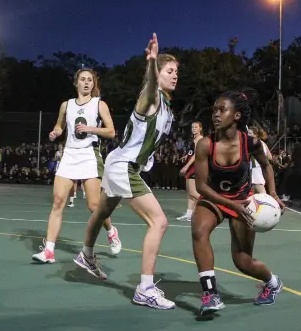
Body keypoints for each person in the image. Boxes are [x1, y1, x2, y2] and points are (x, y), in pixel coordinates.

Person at [73, 33, 178, 310]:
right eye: (170, 71)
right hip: (124, 167)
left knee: (103, 211)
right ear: (157, 73)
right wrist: (153, 62)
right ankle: (145, 288)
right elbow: (150, 87)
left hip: (119, 163)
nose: (175, 75)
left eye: (176, 71)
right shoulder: (150, 98)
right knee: (160, 222)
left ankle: (86, 254)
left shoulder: (166, 107)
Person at [191, 89, 285, 315]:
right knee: (199, 230)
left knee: (242, 261)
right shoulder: (205, 144)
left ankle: (272, 282)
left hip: (243, 201)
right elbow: (201, 186)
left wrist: (272, 194)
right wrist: (230, 205)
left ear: (237, 116)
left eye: (222, 109)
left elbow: (266, 165)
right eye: (214, 109)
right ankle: (211, 295)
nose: (216, 114)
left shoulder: (251, 143)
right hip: (215, 198)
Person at [32, 68, 122, 263]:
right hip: (69, 155)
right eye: (83, 79)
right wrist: (56, 132)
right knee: (57, 202)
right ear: (76, 83)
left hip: (89, 154)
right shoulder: (67, 105)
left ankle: (111, 231)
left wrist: (90, 128)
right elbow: (60, 125)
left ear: (93, 84)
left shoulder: (100, 104)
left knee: (94, 205)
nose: (86, 82)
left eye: (90, 80)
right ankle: (49, 251)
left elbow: (112, 132)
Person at [177, 121, 204, 221]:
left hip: (194, 167)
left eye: (196, 127)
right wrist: (186, 156)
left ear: (200, 128)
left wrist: (186, 166)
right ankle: (189, 213)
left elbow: (197, 154)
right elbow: (191, 152)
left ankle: (208, 203)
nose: (194, 129)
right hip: (191, 165)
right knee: (189, 192)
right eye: (192, 127)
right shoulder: (194, 138)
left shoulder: (200, 139)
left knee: (193, 192)